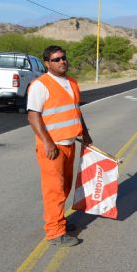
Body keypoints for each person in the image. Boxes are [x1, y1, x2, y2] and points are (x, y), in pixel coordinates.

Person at [26, 45, 93, 247]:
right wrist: (47, 142)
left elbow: (76, 110)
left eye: (63, 57)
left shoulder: (72, 82)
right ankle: (55, 232)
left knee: (64, 187)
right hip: (52, 147)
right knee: (54, 190)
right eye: (56, 59)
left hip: (69, 143)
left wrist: (85, 133)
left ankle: (60, 221)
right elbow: (33, 116)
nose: (62, 61)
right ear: (47, 63)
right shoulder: (40, 85)